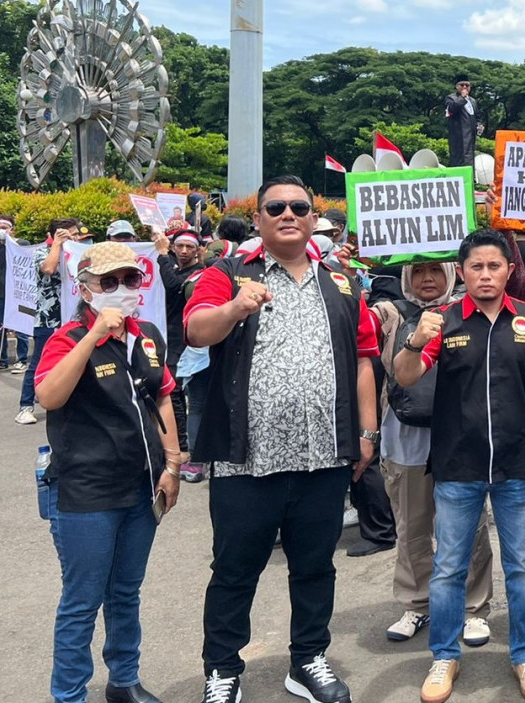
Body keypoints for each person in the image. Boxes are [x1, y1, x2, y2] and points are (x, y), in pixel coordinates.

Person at [185, 176, 380, 703]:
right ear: (260, 219)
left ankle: (309, 659)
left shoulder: (341, 280)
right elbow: (197, 330)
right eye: (276, 207)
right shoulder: (227, 273)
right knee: (233, 570)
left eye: (300, 206)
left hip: (324, 455)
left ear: (314, 217)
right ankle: (223, 669)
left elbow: (364, 358)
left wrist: (366, 431)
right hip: (246, 458)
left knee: (315, 566)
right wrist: (233, 308)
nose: (289, 213)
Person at [393, 230, 525, 703]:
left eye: (494, 266)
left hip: (518, 463)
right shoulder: (441, 321)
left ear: (509, 270)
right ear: (461, 272)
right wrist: (414, 343)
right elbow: (406, 376)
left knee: (523, 567)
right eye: (476, 267)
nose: (485, 275)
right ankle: (444, 655)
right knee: (447, 568)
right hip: (457, 464)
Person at [35, 241, 182, 703]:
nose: (121, 289)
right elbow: (49, 397)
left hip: (141, 488)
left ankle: (124, 679)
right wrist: (93, 334)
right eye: (109, 282)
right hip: (86, 492)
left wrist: (173, 463)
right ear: (85, 289)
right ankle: (69, 694)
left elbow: (163, 398)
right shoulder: (66, 338)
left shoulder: (149, 335)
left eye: (130, 280)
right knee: (82, 601)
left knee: (126, 592)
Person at [369, 262, 495, 646]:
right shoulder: (390, 312)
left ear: (452, 273)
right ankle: (417, 603)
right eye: (419, 271)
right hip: (404, 438)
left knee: (469, 529)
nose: (428, 279)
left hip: (460, 438)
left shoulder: (467, 311)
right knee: (412, 528)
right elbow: (356, 326)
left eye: (436, 272)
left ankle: (474, 608)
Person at [19, 218, 89, 425]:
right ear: (55, 235)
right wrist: (57, 244)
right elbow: (48, 269)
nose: (75, 238)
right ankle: (25, 406)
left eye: (76, 234)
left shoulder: (78, 252)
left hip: (73, 317)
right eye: (70, 234)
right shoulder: (42, 252)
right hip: (48, 317)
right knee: (39, 359)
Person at [155, 227, 205, 481]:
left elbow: (173, 286)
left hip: (186, 344)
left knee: (185, 398)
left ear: (198, 251)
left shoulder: (197, 274)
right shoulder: (171, 266)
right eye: (180, 247)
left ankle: (188, 451)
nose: (184, 251)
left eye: (189, 247)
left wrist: (162, 255)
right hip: (167, 338)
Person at [0, 215, 29, 372]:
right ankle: (2, 360)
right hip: (1, 293)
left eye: (4, 227)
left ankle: (22, 360)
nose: (1, 230)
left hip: (19, 293)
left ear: (12, 229)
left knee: (20, 328)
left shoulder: (22, 245)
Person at [446, 74, 480, 170]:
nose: (464, 87)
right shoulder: (451, 98)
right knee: (459, 161)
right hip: (458, 137)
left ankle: (470, 181)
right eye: (462, 85)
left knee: (470, 160)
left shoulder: (473, 101)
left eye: (467, 85)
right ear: (457, 86)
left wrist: (480, 125)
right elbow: (452, 108)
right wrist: (462, 98)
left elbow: (478, 117)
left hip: (471, 137)